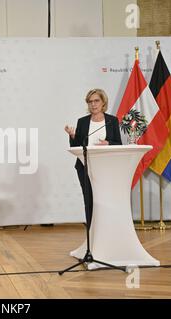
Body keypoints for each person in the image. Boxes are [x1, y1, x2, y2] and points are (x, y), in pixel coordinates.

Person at [64, 88, 121, 228]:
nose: (93, 104)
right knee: (89, 200)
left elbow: (118, 143)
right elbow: (77, 146)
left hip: (105, 168)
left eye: (96, 101)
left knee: (105, 200)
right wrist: (72, 136)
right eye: (90, 102)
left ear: (103, 103)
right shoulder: (82, 122)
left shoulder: (111, 121)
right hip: (85, 167)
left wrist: (108, 143)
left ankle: (106, 229)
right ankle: (91, 231)